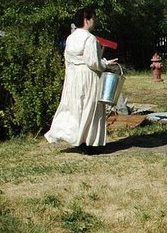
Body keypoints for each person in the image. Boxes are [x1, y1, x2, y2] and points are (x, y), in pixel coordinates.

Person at [45, 8, 117, 151]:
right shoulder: (89, 38)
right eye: (93, 18)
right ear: (86, 19)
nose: (94, 21)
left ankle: (75, 137)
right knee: (89, 106)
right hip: (87, 76)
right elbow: (93, 62)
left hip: (73, 77)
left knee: (74, 106)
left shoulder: (71, 38)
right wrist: (105, 64)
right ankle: (87, 141)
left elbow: (70, 58)